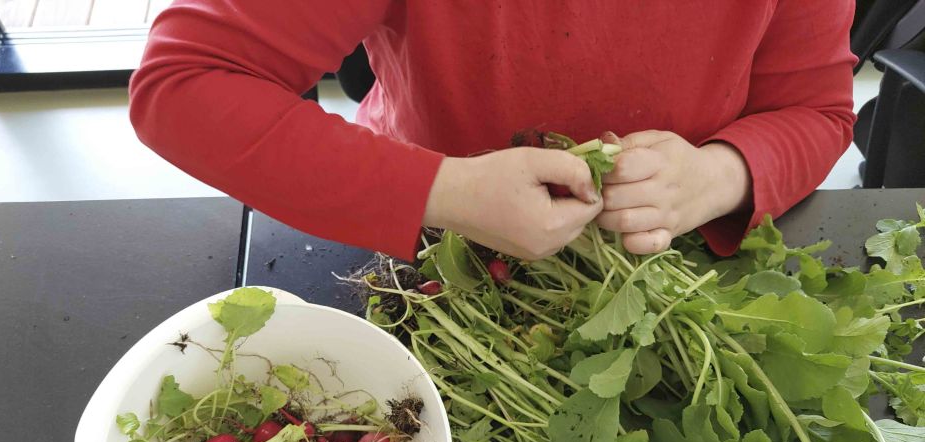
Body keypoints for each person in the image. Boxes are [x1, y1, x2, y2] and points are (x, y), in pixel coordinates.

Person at [129, 1, 856, 262]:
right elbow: (183, 84)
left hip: (674, 250)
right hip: (436, 242)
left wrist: (721, 173)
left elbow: (818, 111)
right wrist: (445, 190)